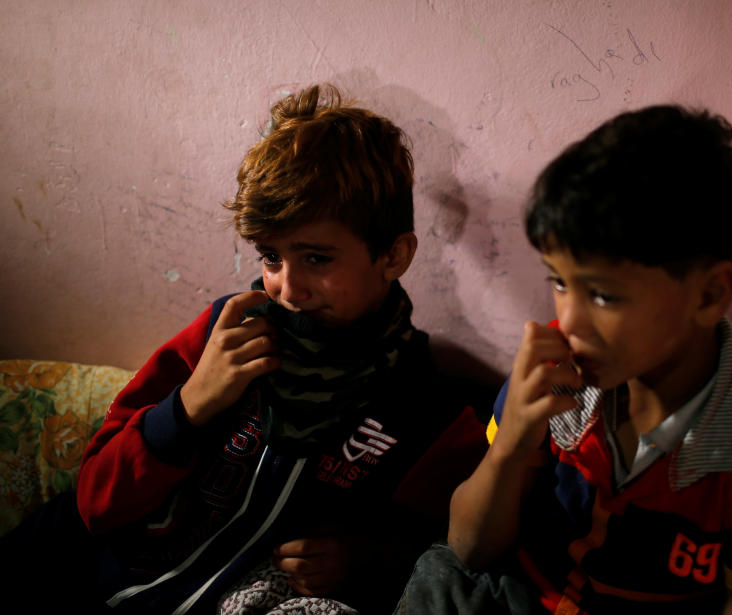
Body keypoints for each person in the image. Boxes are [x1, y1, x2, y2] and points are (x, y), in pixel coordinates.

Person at [0, 84, 487, 614]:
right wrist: (188, 408)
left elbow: (443, 551)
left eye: (317, 259)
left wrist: (364, 559)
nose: (287, 288)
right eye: (271, 257)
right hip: (67, 576)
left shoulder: (428, 410)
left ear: (393, 255)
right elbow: (94, 502)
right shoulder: (225, 333)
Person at [395, 106, 732, 615]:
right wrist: (511, 445)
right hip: (517, 593)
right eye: (558, 281)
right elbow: (469, 548)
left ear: (709, 295)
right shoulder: (552, 369)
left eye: (603, 295)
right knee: (440, 573)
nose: (569, 323)